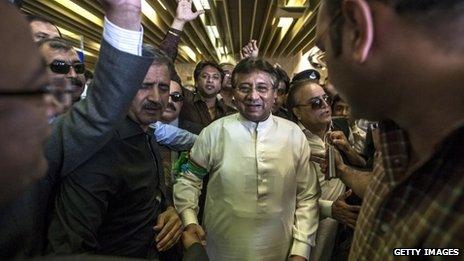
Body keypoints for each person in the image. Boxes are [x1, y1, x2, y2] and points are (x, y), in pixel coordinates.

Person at [316, 0, 464, 259]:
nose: (328, 83)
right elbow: (390, 189)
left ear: (358, 29)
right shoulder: (397, 123)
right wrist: (342, 170)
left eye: (324, 51)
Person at [174, 58, 319, 261]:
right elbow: (188, 179)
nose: (253, 96)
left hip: (280, 250)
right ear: (233, 93)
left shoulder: (294, 135)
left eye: (262, 88)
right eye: (244, 88)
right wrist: (190, 220)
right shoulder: (215, 132)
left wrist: (301, 249)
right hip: (220, 249)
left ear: (274, 93)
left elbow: (307, 196)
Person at [287, 80, 360, 261]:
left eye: (326, 99)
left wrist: (348, 151)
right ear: (297, 112)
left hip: (342, 224)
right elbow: (284, 198)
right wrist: (329, 209)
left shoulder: (341, 128)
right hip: (304, 225)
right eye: (316, 103)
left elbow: (362, 166)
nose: (326, 106)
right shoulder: (288, 139)